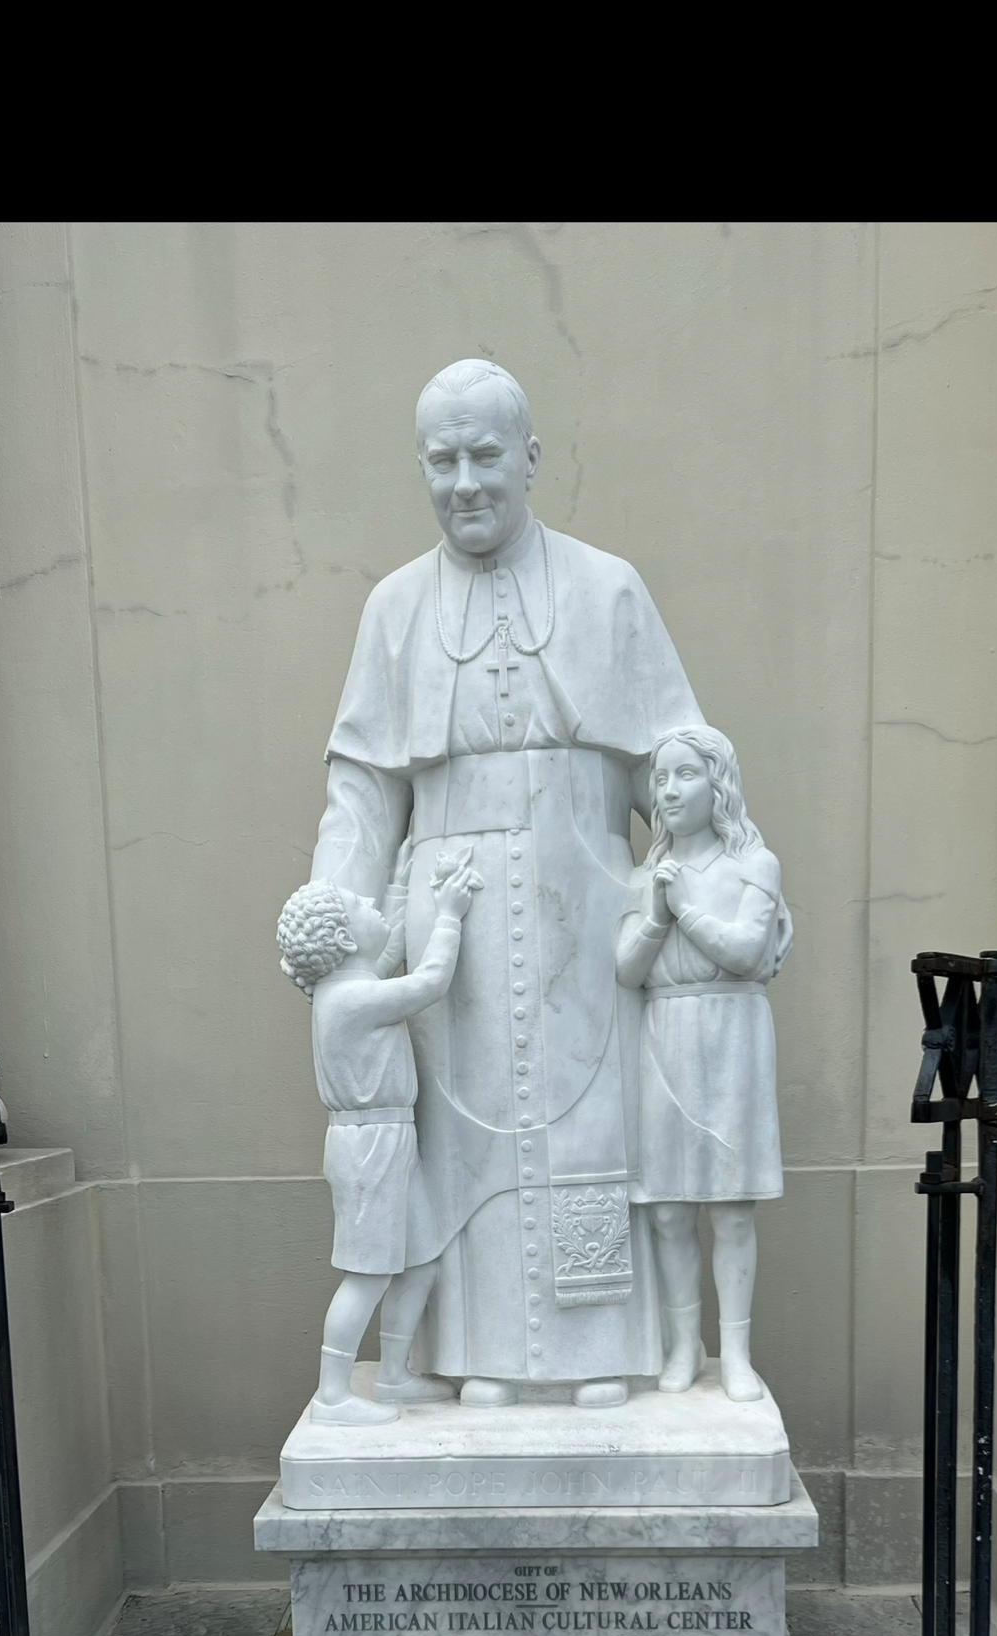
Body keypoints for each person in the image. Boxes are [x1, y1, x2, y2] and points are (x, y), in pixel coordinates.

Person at [310, 358, 707, 1406]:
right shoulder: (394, 608)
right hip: (455, 928)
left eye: (484, 455)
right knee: (467, 1143)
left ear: (530, 457)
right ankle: (479, 1356)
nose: (464, 482)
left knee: (589, 1129)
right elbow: (362, 793)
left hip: (587, 907)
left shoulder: (608, 588)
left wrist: (711, 883)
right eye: (440, 461)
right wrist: (333, 924)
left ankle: (597, 1354)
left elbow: (677, 770)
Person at [616, 727, 791, 1402]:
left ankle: (736, 1353)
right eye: (660, 778)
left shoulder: (754, 866)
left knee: (732, 1208)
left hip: (732, 1032)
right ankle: (683, 1344)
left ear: (717, 783)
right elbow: (627, 970)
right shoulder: (646, 877)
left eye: (685, 774)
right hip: (666, 1031)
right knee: (667, 1210)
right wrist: (657, 914)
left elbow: (746, 953)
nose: (669, 791)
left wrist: (684, 906)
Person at [277, 846, 481, 1424]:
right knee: (367, 1275)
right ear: (344, 940)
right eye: (358, 904)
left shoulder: (350, 986)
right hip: (368, 1147)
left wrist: (399, 886)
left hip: (390, 1138)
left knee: (421, 1259)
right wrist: (449, 914)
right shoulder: (351, 999)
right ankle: (332, 1396)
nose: (369, 902)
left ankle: (394, 1374)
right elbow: (430, 982)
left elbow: (384, 953)